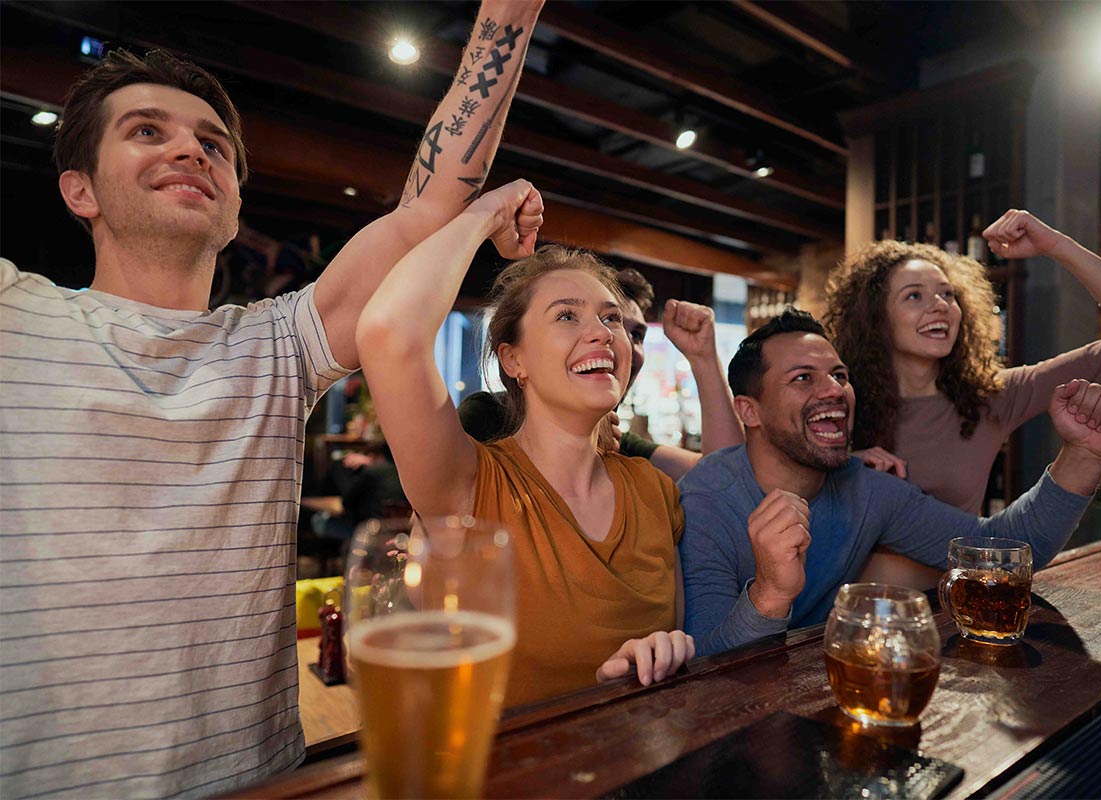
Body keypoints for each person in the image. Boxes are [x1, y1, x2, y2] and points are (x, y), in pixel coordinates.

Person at [0, 2, 541, 796]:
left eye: (213, 144)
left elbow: (426, 208)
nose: (190, 146)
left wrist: (508, 15)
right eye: (147, 131)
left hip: (260, 784)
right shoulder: (15, 314)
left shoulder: (277, 345)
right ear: (78, 190)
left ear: (233, 205)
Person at [357, 181, 694, 708]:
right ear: (514, 361)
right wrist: (487, 213)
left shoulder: (655, 491)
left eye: (611, 318)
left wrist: (660, 657)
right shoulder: (470, 485)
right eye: (567, 315)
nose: (604, 333)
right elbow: (388, 330)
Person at [679, 309, 1101, 657]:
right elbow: (707, 663)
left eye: (840, 376)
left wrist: (1084, 455)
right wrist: (770, 593)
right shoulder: (707, 499)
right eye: (803, 378)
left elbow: (1003, 549)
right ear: (749, 411)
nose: (835, 390)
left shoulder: (866, 488)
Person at [823, 209, 1101, 514]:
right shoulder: (838, 403)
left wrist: (1055, 245)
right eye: (914, 295)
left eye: (947, 294)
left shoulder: (993, 396)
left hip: (955, 595)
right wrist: (849, 468)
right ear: (874, 318)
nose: (940, 306)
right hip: (855, 598)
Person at [458, 267, 744, 480]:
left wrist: (703, 358)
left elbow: (724, 479)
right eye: (568, 317)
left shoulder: (628, 458)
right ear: (513, 359)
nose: (610, 338)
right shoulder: (486, 416)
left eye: (635, 334)